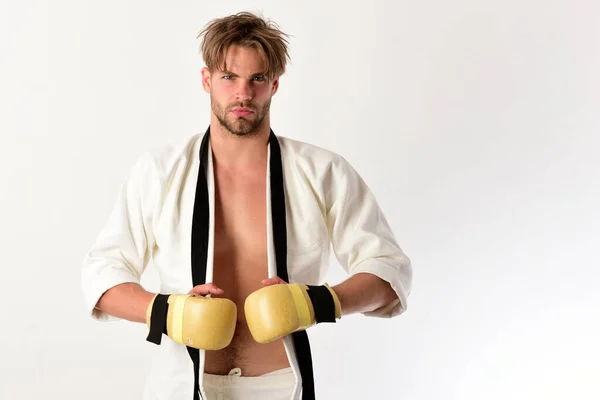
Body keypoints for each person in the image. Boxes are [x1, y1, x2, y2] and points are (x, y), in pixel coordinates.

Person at [81, 11, 412, 400]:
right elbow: (101, 273)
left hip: (279, 384)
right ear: (206, 80)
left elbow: (389, 273)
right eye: (229, 77)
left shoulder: (323, 171)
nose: (243, 93)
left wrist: (315, 302)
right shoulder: (158, 171)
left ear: (274, 84)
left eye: (257, 79)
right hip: (180, 385)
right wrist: (170, 312)